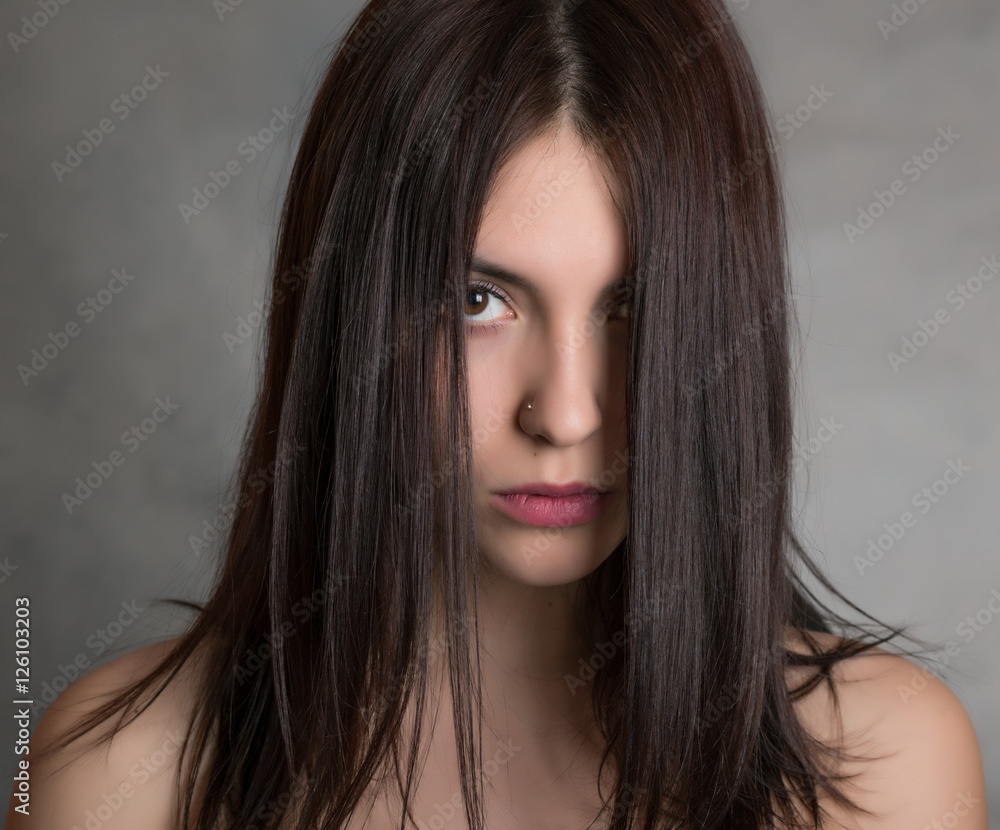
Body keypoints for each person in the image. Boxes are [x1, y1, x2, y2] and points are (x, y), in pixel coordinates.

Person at [7, 0, 988, 827]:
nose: (564, 413)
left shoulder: (885, 777)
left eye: (633, 306)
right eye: (477, 300)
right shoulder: (114, 781)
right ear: (349, 312)